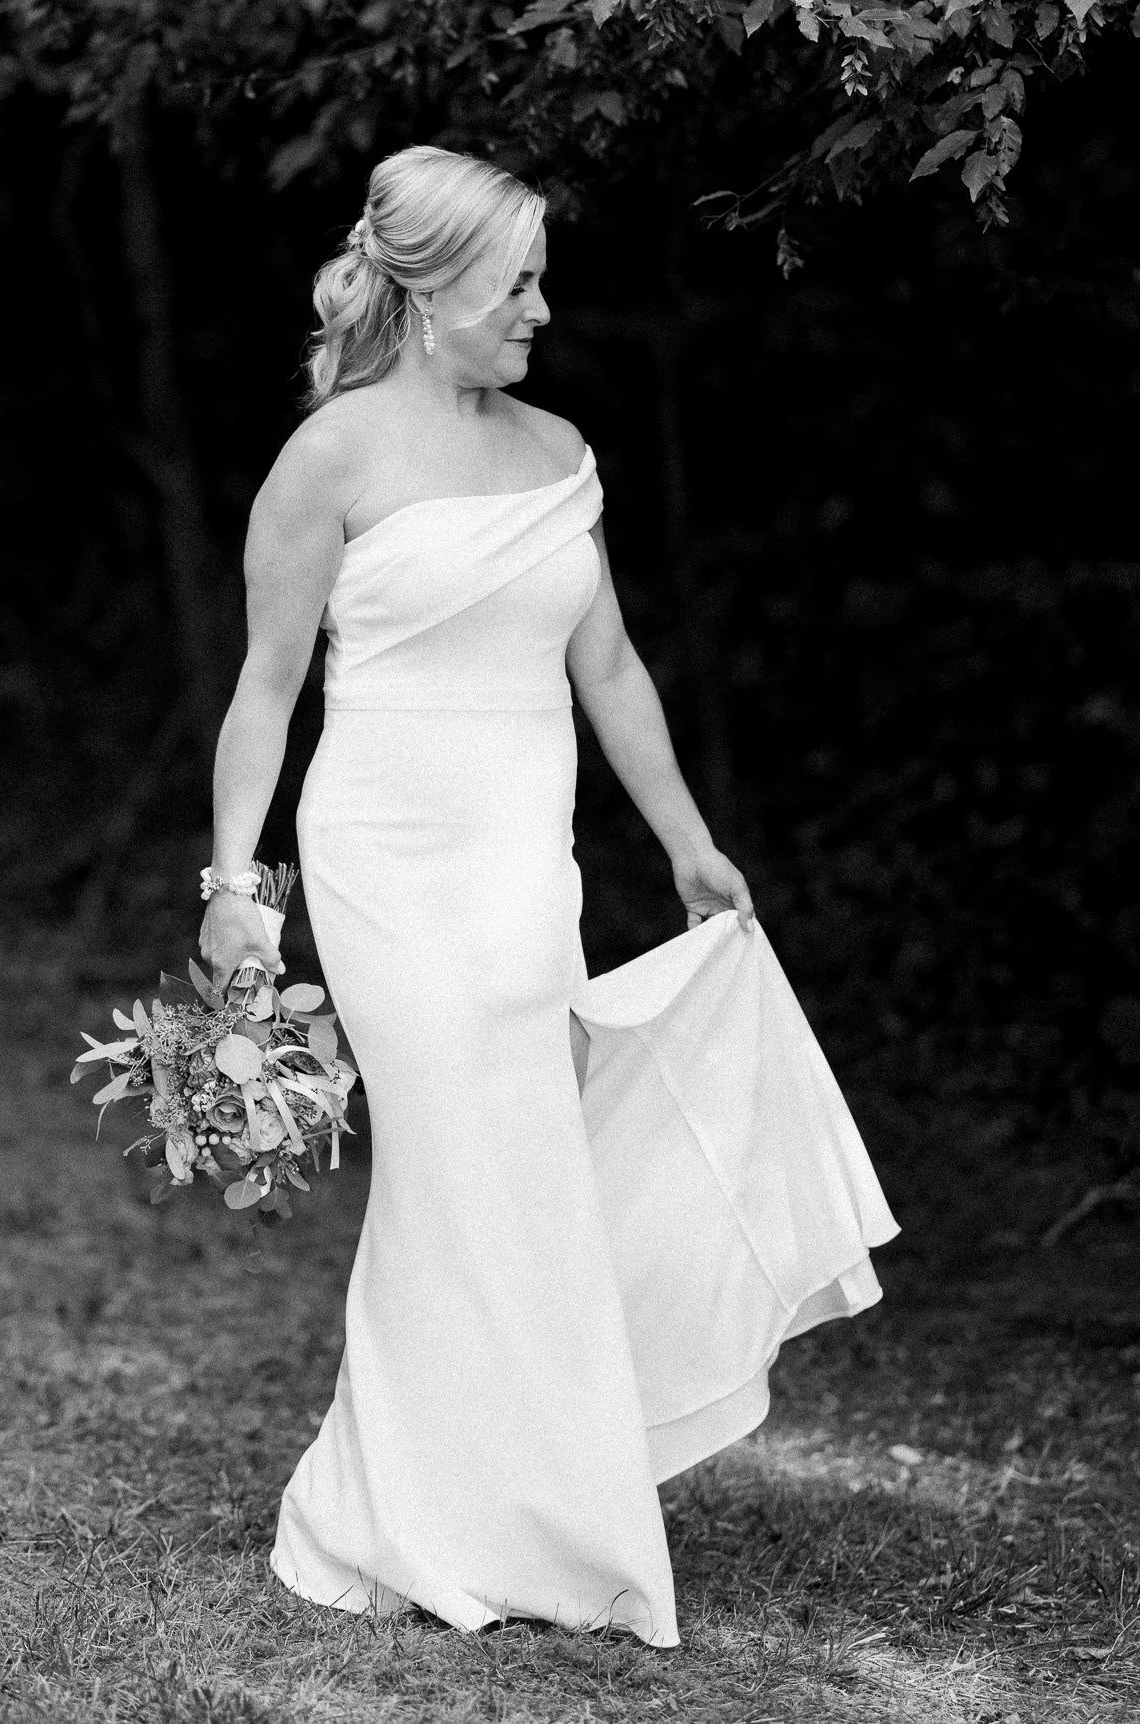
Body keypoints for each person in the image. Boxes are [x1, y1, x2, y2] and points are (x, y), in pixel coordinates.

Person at [199, 144, 896, 1645]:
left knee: (523, 1173)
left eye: (540, 281)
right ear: (431, 292)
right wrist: (233, 886)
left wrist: (687, 843)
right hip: (386, 857)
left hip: (526, 860)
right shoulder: (329, 460)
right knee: (449, 1168)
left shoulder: (560, 450)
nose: (541, 310)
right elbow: (265, 690)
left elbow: (612, 667)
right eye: (515, 284)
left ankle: (528, 1505)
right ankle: (404, 1513)